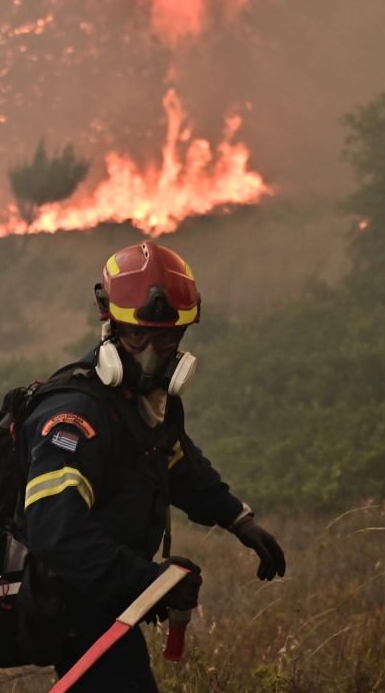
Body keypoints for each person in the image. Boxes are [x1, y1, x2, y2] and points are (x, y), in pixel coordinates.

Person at [20, 239, 286, 692]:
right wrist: (150, 581)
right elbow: (54, 531)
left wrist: (236, 517)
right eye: (138, 335)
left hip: (112, 599)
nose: (151, 353)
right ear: (110, 324)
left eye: (166, 338)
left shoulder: (147, 402)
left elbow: (174, 460)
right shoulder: (75, 415)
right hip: (79, 606)